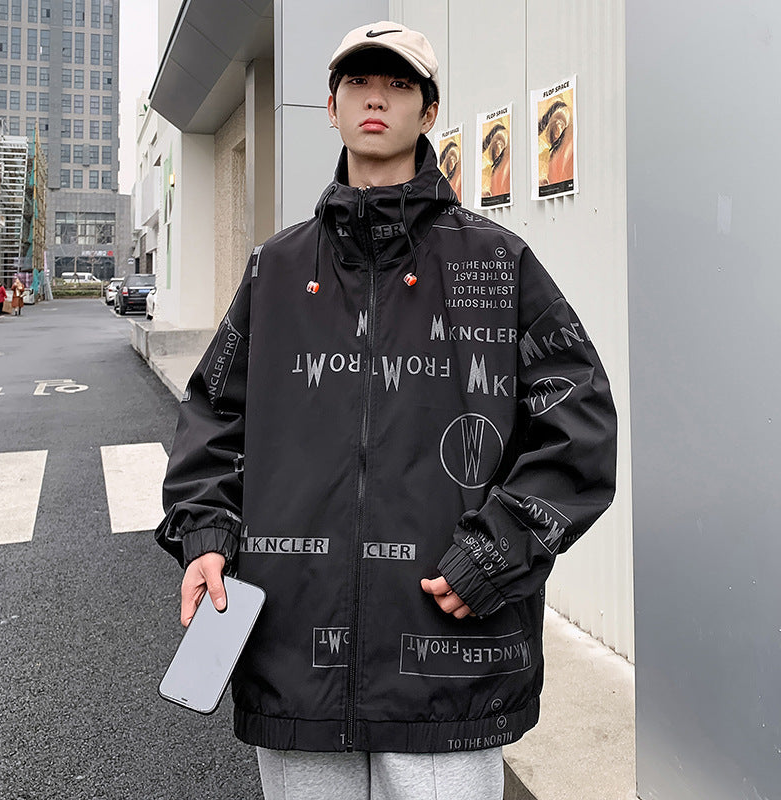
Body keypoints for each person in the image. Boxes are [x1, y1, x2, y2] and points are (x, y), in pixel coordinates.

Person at [156, 20, 617, 800]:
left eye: (400, 83)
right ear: (331, 107)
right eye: (359, 83)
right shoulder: (276, 270)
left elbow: (580, 417)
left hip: (446, 665)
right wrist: (206, 533)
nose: (377, 97)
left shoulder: (496, 262)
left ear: (428, 112)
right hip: (292, 653)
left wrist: (498, 551)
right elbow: (212, 414)